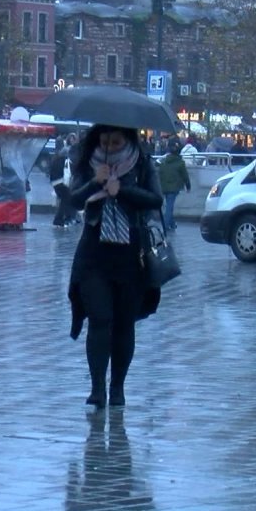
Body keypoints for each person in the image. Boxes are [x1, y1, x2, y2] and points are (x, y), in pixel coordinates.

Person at [67, 124, 164, 409]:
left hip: (131, 255)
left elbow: (155, 199)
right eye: (105, 141)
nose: (109, 146)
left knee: (124, 323)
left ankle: (118, 387)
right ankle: (97, 387)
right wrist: (96, 182)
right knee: (99, 319)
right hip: (94, 254)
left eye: (116, 141)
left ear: (128, 139)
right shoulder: (87, 162)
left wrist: (122, 190)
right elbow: (73, 199)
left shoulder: (141, 162)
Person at [156, 140, 191, 232]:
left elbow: (158, 169)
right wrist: (188, 186)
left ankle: (172, 224)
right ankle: (166, 225)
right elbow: (185, 176)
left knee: (168, 205)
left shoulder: (163, 161)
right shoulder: (180, 162)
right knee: (169, 207)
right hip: (174, 187)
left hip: (164, 187)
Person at [48, 142, 75, 227]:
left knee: (65, 199)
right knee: (66, 199)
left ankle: (65, 218)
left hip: (55, 183)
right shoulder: (65, 161)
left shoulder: (56, 159)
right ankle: (60, 219)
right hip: (61, 182)